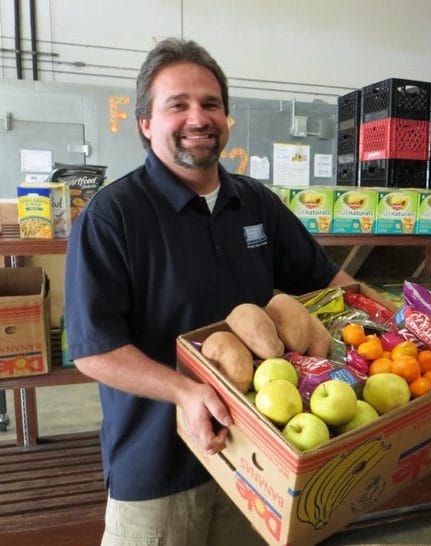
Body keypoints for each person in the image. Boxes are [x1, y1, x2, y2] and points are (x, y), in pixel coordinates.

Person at [64, 37, 355, 546]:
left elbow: (331, 284)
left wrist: (392, 333)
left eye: (211, 104)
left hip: (261, 459)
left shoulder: (254, 203)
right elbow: (94, 350)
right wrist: (186, 391)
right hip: (156, 469)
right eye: (178, 104)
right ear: (146, 123)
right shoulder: (113, 217)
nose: (198, 118)